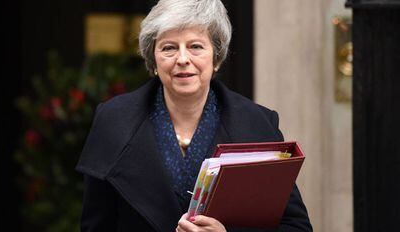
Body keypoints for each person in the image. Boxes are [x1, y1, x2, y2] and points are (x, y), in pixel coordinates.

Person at [76, 0, 312, 231]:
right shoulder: (113, 121)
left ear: (216, 57)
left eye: (196, 46)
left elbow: (296, 226)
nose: (182, 59)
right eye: (169, 47)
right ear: (153, 60)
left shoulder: (258, 124)